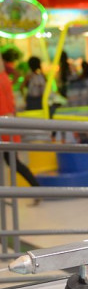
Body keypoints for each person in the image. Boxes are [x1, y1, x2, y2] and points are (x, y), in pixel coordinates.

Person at [0, 54, 40, 189]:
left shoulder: (3, 79)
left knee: (13, 162)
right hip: (9, 124)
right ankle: (36, 188)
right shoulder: (4, 78)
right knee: (13, 161)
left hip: (5, 127)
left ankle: (36, 188)